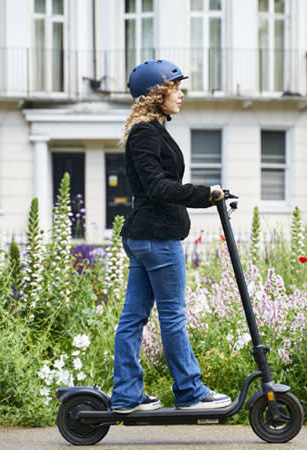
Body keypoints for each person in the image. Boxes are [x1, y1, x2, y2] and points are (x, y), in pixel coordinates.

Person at [110, 59, 231, 414]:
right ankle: (190, 391)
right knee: (173, 316)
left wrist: (204, 197)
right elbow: (158, 187)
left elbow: (158, 186)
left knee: (133, 318)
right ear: (156, 94)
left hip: (146, 236)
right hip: (157, 238)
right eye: (175, 88)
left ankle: (127, 395)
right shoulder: (146, 132)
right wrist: (204, 194)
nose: (180, 94)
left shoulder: (150, 130)